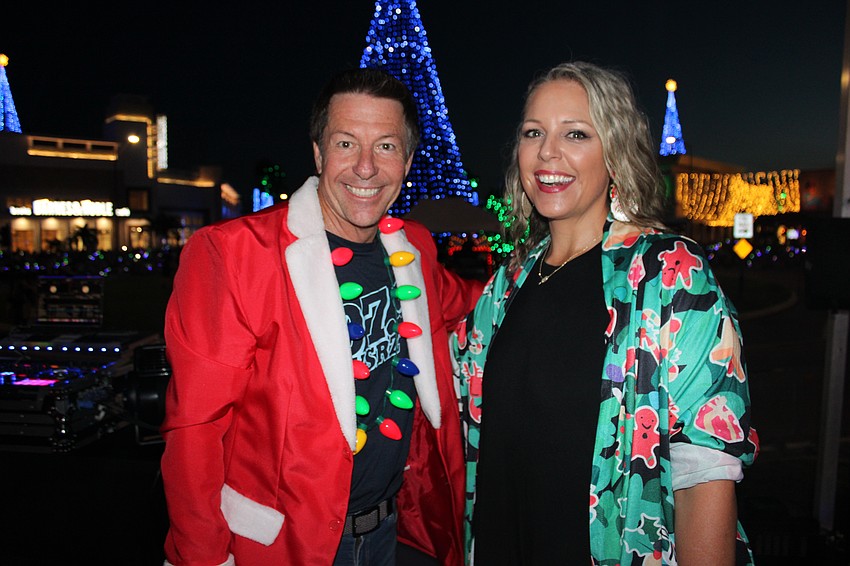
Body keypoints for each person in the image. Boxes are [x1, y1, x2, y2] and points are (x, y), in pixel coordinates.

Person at [160, 68, 483, 566]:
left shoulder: (413, 246)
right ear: (317, 152)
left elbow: (476, 300)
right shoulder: (233, 254)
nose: (366, 168)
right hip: (283, 546)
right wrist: (201, 558)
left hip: (395, 532)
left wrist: (568, 254)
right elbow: (195, 430)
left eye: (387, 147)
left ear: (408, 160)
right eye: (346, 143)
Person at [451, 61, 759, 565]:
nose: (548, 151)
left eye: (575, 133)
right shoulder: (505, 287)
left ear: (614, 153)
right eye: (534, 132)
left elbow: (705, 470)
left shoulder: (668, 274)